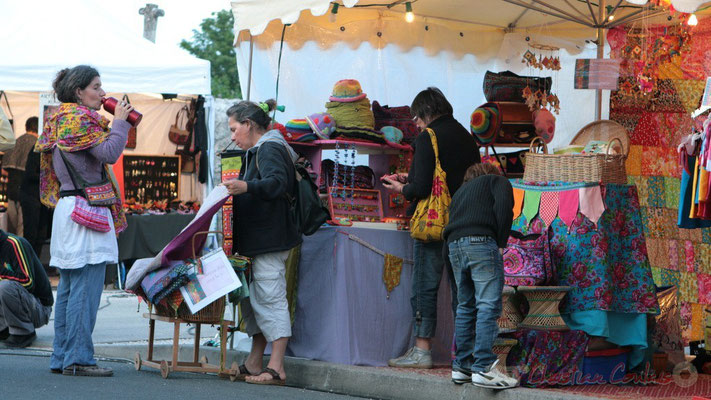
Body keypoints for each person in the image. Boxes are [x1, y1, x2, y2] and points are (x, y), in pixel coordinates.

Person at [36, 65, 131, 377]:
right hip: (86, 207)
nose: (102, 93)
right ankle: (78, 358)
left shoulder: (60, 118)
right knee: (86, 289)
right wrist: (119, 124)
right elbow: (109, 153)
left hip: (69, 206)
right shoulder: (79, 119)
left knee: (70, 287)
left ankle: (63, 357)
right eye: (96, 86)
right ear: (78, 91)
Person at [382, 87, 480, 368]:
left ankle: (422, 350)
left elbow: (422, 187)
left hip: (434, 225)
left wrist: (402, 186)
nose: (415, 123)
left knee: (425, 286)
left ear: (426, 112)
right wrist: (410, 177)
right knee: (463, 290)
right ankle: (465, 352)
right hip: (464, 222)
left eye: (416, 118)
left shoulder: (429, 137)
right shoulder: (466, 137)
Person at [223, 99, 302, 385]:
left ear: (249, 125)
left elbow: (277, 183)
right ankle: (255, 361)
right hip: (258, 240)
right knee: (255, 303)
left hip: (269, 240)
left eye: (234, 129)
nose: (232, 136)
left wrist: (245, 186)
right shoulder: (261, 149)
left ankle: (277, 367)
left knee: (270, 299)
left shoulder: (270, 148)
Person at [444, 163, 517, 389]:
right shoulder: (498, 181)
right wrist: (501, 243)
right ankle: (483, 367)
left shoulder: (459, 193)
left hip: (454, 244)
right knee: (488, 305)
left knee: (465, 305)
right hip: (481, 241)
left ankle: (462, 366)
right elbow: (505, 208)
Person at [0, 228, 53, 348]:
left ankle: (23, 332)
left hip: (39, 307)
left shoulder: (14, 243)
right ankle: (4, 329)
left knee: (5, 287)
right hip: (17, 305)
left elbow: (28, 282)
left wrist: (1, 272)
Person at [2, 117, 40, 236]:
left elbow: (4, 169)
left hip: (11, 190)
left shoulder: (15, 142)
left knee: (11, 228)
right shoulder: (37, 145)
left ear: (26, 127)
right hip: (27, 191)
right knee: (22, 229)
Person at [20, 137, 52, 261]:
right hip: (31, 196)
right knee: (31, 234)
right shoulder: (37, 151)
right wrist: (48, 175)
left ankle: (35, 265)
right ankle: (27, 266)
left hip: (42, 199)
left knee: (41, 235)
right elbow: (30, 174)